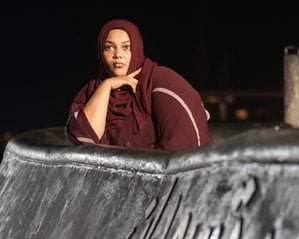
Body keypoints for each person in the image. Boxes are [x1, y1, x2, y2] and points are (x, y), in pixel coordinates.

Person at [65, 19, 213, 151]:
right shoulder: (92, 90)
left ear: (137, 49)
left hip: (163, 178)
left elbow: (185, 145)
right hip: (112, 180)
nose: (118, 54)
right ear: (100, 52)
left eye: (126, 47)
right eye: (109, 47)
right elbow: (81, 139)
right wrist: (106, 86)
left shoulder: (160, 80)